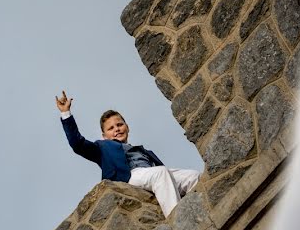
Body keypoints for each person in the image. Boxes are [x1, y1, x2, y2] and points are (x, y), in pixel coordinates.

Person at [56, 90, 200, 217]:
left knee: (193, 176)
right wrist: (65, 113)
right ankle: (179, 221)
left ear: (127, 127)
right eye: (111, 128)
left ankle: (200, 214)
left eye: (119, 125)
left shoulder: (143, 151)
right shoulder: (102, 147)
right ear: (104, 135)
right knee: (160, 173)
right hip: (129, 177)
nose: (117, 129)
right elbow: (77, 144)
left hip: (150, 173)